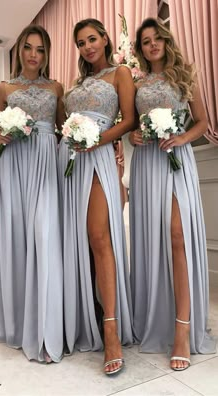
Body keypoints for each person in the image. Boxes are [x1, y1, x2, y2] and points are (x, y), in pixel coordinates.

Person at [129, 18, 217, 371]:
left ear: (166, 41)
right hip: (147, 163)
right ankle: (157, 318)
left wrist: (182, 138)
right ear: (141, 48)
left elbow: (201, 120)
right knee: (153, 241)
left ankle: (182, 329)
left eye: (157, 39)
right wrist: (134, 136)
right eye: (146, 41)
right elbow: (133, 123)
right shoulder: (136, 83)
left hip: (176, 159)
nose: (152, 45)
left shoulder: (183, 76)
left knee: (177, 236)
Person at [58, 18, 135, 375]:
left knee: (99, 237)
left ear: (105, 39)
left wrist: (97, 141)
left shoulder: (120, 74)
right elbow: (63, 121)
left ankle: (112, 329)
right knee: (79, 242)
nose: (87, 46)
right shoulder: (76, 85)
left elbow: (129, 120)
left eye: (92, 39)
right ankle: (85, 315)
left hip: (99, 156)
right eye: (81, 42)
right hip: (70, 161)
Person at [0, 24, 65, 363]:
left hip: (46, 164)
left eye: (41, 49)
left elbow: (65, 127)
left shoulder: (57, 86)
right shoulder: (4, 87)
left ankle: (47, 333)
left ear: (47, 54)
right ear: (20, 49)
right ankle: (20, 324)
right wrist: (0, 136)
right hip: (15, 166)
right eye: (29, 48)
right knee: (19, 242)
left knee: (44, 239)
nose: (34, 55)